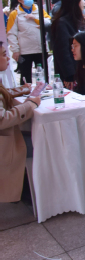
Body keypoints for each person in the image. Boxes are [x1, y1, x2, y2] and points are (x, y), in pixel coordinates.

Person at [0, 42, 41, 203]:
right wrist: (30, 105)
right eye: (4, 55)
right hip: (5, 142)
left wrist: (24, 89)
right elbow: (3, 119)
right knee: (40, 143)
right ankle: (32, 190)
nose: (8, 58)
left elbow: (5, 93)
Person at [7, 0, 51, 84]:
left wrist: (35, 18)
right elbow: (11, 33)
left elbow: (48, 23)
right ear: (19, 0)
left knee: (43, 75)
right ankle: (26, 91)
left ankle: (43, 89)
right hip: (24, 50)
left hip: (41, 48)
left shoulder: (39, 10)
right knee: (25, 75)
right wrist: (15, 49)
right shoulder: (15, 13)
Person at [51, 0, 85, 88]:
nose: (84, 2)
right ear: (75, 2)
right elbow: (62, 51)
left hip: (80, 68)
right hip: (70, 73)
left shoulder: (76, 20)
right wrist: (69, 74)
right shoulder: (61, 23)